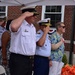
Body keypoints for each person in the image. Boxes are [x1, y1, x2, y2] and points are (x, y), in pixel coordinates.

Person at [9, 6, 39, 75]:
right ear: (27, 15)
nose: (35, 17)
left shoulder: (32, 27)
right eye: (33, 15)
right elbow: (13, 27)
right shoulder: (18, 24)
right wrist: (24, 15)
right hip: (19, 59)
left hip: (29, 59)